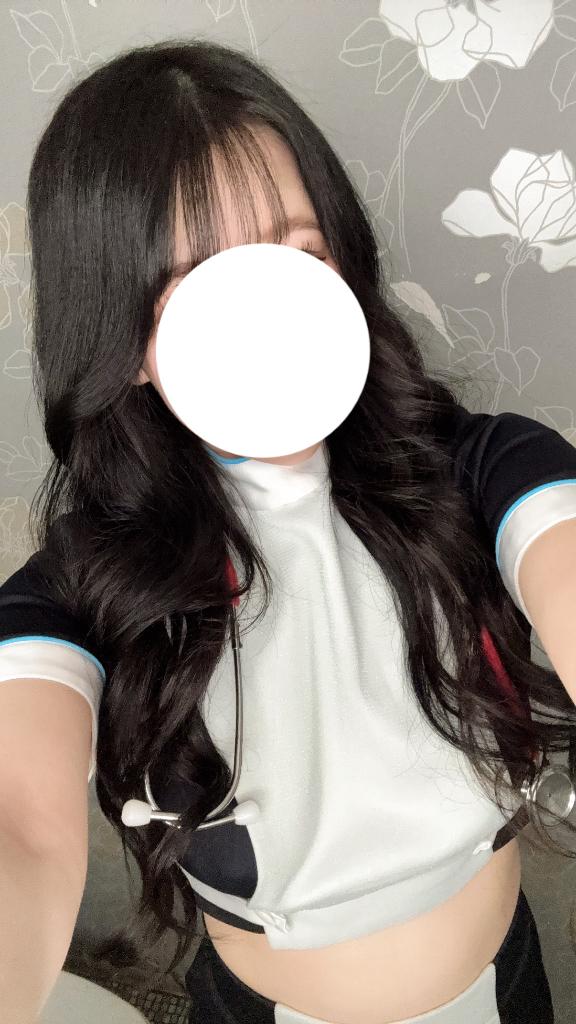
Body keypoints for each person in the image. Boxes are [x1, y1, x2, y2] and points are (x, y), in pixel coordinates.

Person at [1, 37, 575, 1024]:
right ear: (122, 336)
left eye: (297, 254)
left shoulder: (484, 471)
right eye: (197, 282)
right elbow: (24, 827)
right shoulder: (82, 591)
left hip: (507, 985)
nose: (269, 314)